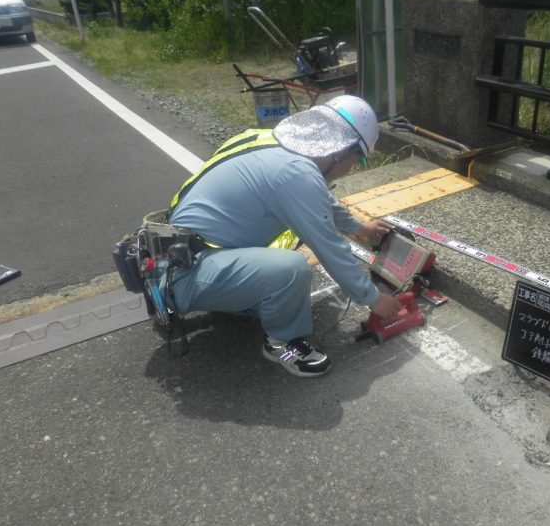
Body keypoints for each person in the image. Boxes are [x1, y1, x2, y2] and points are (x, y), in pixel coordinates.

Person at [165, 95, 402, 377]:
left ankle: (247, 299)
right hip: (184, 273)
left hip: (179, 252)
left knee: (284, 276)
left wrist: (359, 228)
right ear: (341, 150)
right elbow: (330, 247)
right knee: (292, 268)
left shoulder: (273, 142)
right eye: (357, 158)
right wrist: (374, 299)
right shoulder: (296, 174)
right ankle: (281, 346)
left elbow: (316, 198)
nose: (353, 166)